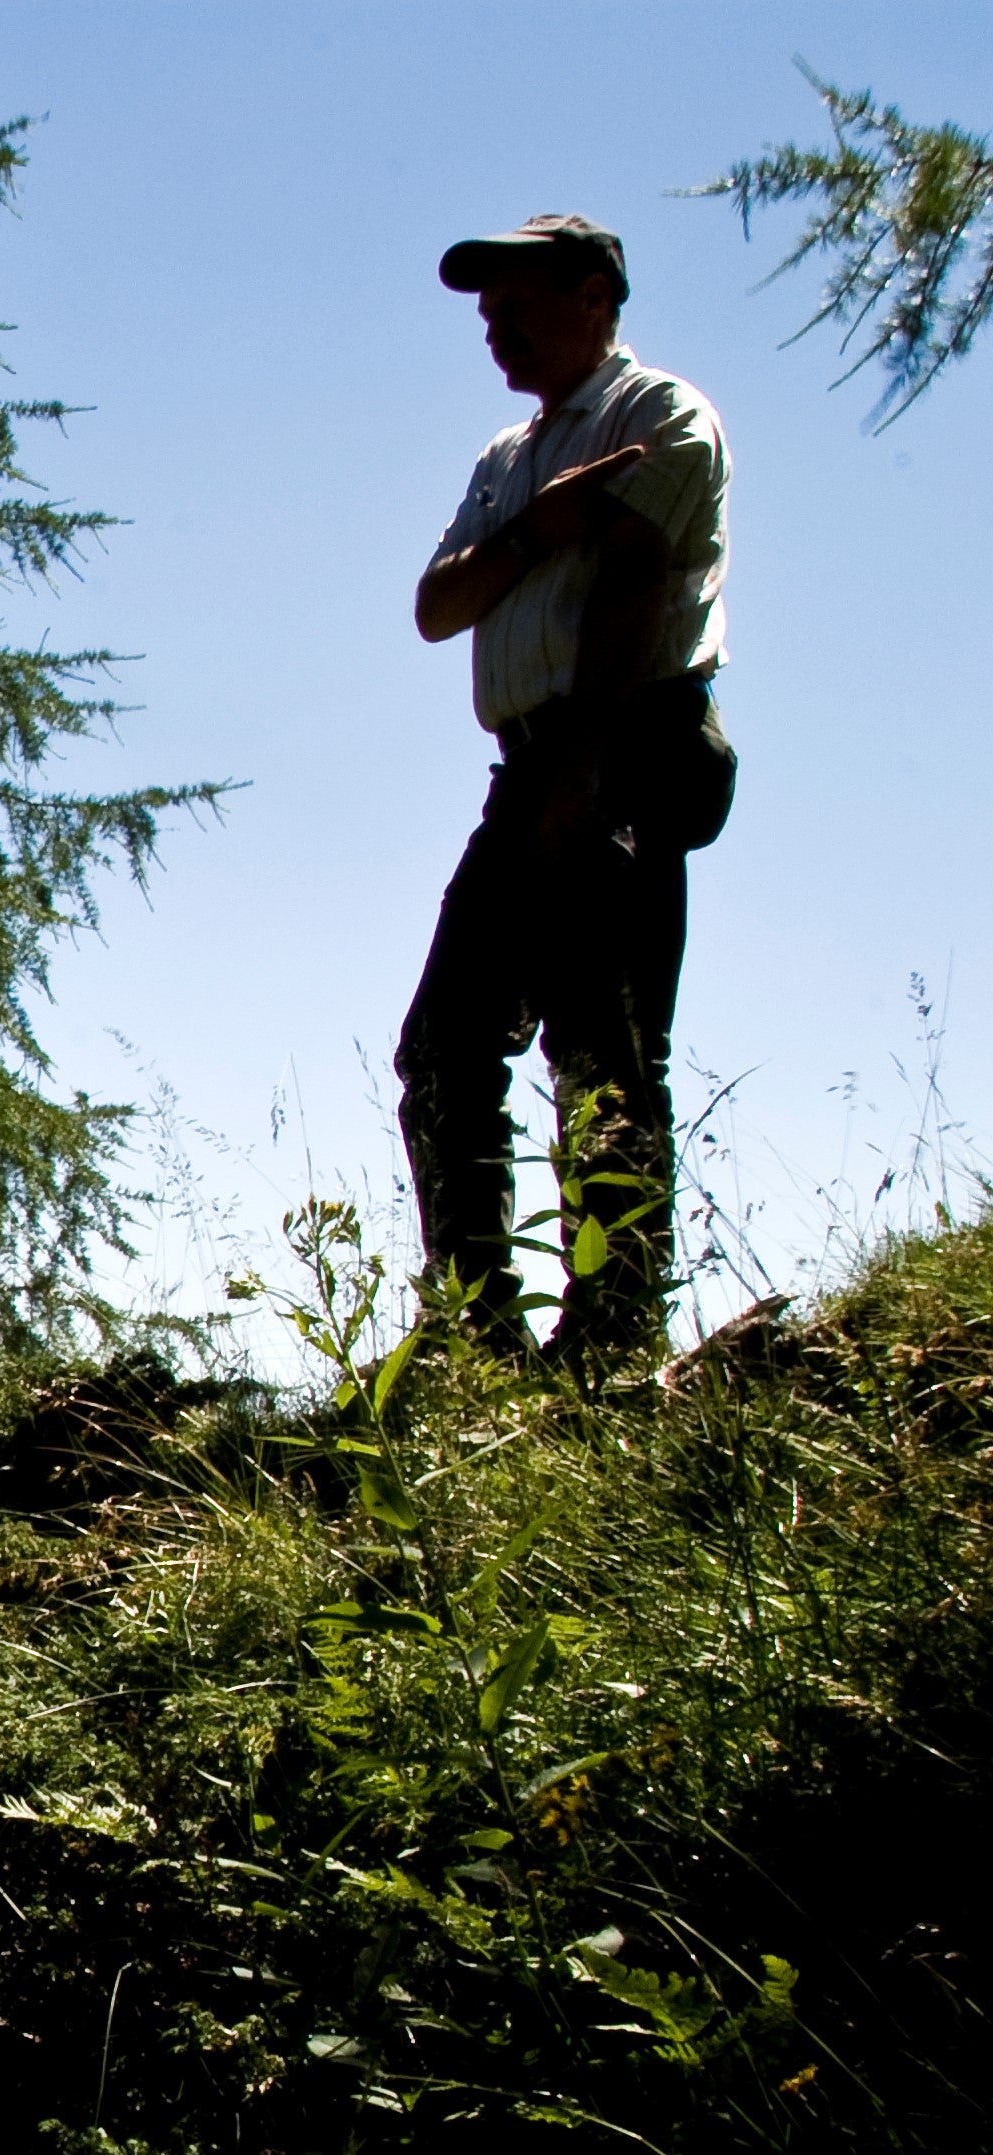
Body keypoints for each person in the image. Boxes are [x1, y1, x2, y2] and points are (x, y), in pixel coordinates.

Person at [396, 212, 737, 1365]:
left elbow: (634, 584)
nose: (496, 331)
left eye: (519, 305)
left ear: (594, 295)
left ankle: (609, 1337)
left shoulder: (657, 415)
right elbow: (437, 608)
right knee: (442, 1050)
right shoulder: (510, 460)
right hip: (527, 760)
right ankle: (472, 1336)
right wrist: (541, 528)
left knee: (600, 1049)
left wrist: (584, 767)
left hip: (623, 744)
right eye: (485, 316)